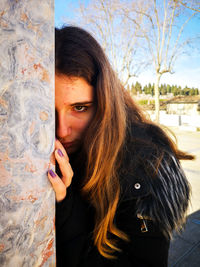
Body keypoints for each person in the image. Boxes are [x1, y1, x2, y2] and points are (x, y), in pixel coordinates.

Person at [48, 26, 193, 267]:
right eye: (49, 112)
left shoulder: (145, 162)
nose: (62, 130)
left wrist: (65, 208)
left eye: (80, 107)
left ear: (105, 100)